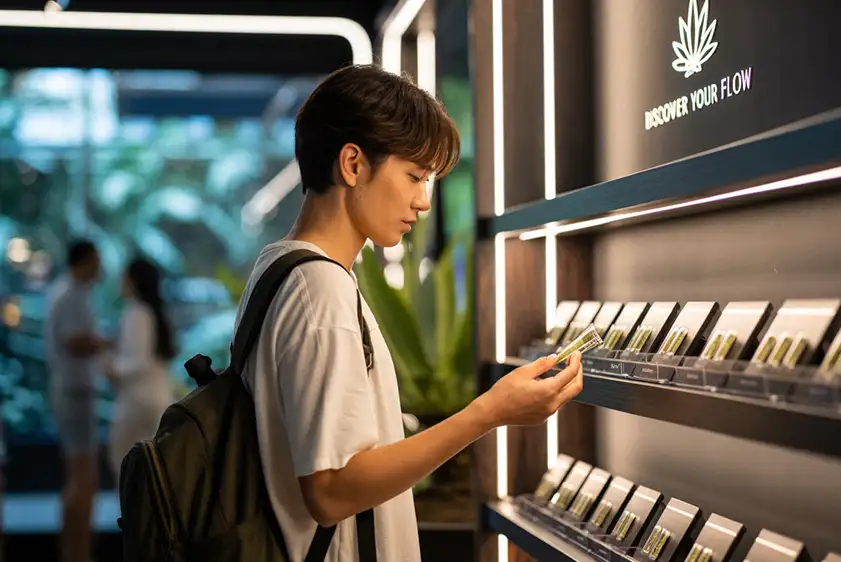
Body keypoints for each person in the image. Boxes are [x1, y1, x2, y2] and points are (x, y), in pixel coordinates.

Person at [235, 64, 584, 561]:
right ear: (353, 164)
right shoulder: (320, 288)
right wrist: (490, 412)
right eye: (414, 175)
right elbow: (331, 491)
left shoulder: (279, 267)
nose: (422, 201)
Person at [44, 239, 106, 562]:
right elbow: (75, 341)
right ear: (83, 261)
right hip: (75, 392)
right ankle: (77, 552)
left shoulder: (67, 291)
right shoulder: (71, 294)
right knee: (84, 477)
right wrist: (108, 342)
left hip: (71, 391)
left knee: (79, 475)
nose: (101, 268)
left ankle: (75, 550)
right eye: (96, 260)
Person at [103, 258, 176, 487]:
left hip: (135, 402)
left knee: (125, 468)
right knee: (157, 473)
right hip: (159, 399)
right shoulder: (157, 312)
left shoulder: (136, 312)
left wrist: (112, 368)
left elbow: (137, 361)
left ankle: (135, 522)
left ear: (134, 281)